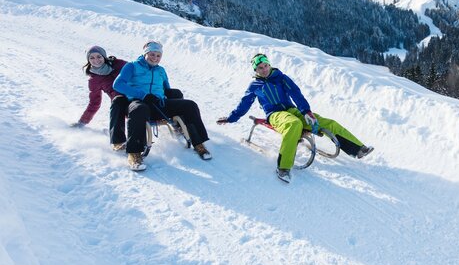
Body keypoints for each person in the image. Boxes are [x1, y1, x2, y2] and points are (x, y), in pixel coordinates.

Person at [217, 53, 373, 183]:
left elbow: (296, 94)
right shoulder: (255, 86)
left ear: (269, 64)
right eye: (260, 68)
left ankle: (358, 149)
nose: (264, 69)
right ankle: (283, 167)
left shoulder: (282, 78)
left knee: (327, 122)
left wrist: (306, 111)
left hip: (292, 109)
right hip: (275, 115)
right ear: (256, 70)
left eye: (265, 65)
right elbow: (244, 104)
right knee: (294, 124)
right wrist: (231, 118)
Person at [113, 41, 212, 171]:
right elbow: (118, 84)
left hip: (159, 103)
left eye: (158, 55)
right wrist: (142, 95)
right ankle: (134, 154)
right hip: (139, 102)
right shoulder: (132, 66)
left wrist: (172, 103)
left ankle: (198, 143)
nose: (155, 58)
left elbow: (167, 89)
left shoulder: (161, 70)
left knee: (190, 105)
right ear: (145, 54)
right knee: (139, 109)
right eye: (152, 54)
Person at [72, 45, 129, 151]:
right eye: (92, 58)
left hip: (136, 94)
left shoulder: (120, 64)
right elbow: (94, 102)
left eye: (99, 56)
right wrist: (83, 121)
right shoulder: (94, 80)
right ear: (88, 60)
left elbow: (138, 72)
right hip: (120, 103)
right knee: (118, 105)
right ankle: (118, 141)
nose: (96, 60)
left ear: (104, 56)